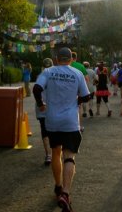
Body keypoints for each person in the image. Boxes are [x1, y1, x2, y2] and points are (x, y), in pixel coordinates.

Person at [33, 47, 90, 212]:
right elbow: (86, 96)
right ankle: (65, 192)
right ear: (71, 59)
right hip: (70, 122)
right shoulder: (77, 74)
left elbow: (37, 89)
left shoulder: (48, 71)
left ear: (57, 58)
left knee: (56, 152)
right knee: (69, 156)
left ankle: (58, 186)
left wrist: (40, 104)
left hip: (52, 121)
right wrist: (75, 101)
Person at [35, 57, 53, 166]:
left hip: (42, 107)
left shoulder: (39, 76)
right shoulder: (56, 75)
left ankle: (48, 155)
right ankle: (56, 154)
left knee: (44, 131)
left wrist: (40, 104)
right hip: (54, 107)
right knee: (55, 131)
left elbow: (36, 91)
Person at [71, 52, 89, 118]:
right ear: (76, 58)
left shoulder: (68, 65)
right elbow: (87, 78)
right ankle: (79, 124)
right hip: (78, 89)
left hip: (69, 89)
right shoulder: (81, 66)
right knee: (79, 106)